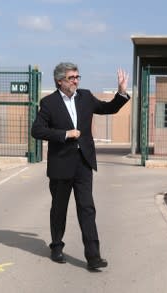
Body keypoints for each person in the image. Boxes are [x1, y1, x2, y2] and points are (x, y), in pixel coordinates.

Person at [31, 62, 130, 270]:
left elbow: (107, 108)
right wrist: (65, 134)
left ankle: (93, 257)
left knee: (87, 208)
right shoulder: (49, 103)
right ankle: (57, 246)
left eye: (77, 77)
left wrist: (121, 93)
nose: (76, 80)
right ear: (60, 81)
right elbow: (37, 130)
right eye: (71, 77)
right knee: (59, 209)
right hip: (61, 165)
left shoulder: (85, 97)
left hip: (83, 163)